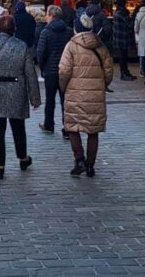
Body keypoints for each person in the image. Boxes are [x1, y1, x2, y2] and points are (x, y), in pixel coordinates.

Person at [0, 13, 40, 179]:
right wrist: (35, 97)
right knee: (18, 127)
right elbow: (30, 74)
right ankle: (22, 157)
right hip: (16, 89)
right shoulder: (21, 46)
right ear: (14, 29)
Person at [59, 11, 114, 177]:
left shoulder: (71, 46)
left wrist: (64, 87)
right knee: (93, 131)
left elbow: (64, 70)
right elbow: (109, 71)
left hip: (75, 93)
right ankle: (90, 165)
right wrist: (102, 84)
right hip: (96, 95)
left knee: (73, 127)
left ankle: (79, 160)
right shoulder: (101, 46)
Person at [36, 5, 72, 135]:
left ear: (51, 15)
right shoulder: (68, 31)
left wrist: (43, 67)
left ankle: (49, 124)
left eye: (47, 14)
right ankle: (67, 128)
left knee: (50, 99)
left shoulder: (45, 32)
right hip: (65, 69)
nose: (46, 16)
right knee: (65, 100)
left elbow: (41, 53)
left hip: (50, 70)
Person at [112, 0, 136, 81]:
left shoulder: (117, 12)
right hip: (123, 37)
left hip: (118, 38)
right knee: (123, 57)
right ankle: (124, 73)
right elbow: (129, 24)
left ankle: (125, 72)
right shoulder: (122, 13)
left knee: (122, 56)